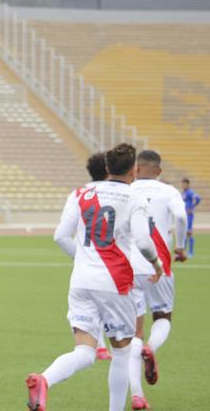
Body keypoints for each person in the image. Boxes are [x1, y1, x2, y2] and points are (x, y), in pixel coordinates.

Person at [26, 143, 163, 411]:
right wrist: (156, 264)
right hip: (114, 283)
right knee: (122, 353)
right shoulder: (134, 197)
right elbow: (143, 241)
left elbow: (60, 236)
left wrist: (83, 259)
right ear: (133, 171)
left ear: (107, 167)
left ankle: (44, 379)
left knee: (85, 352)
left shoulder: (82, 193)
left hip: (80, 282)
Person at [127, 151, 187, 410]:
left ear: (136, 168)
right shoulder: (168, 191)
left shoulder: (127, 190)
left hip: (129, 266)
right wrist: (180, 247)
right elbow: (181, 217)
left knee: (133, 333)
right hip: (157, 263)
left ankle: (137, 395)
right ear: (158, 171)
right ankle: (151, 348)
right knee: (163, 316)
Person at [83, 152, 113, 361]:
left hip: (87, 260)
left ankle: (99, 346)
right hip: (109, 262)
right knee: (107, 306)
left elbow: (61, 235)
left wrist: (78, 256)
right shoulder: (119, 194)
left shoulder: (81, 194)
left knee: (90, 307)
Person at [181, 178, 201, 258]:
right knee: (184, 233)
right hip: (184, 215)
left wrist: (192, 207)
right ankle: (184, 251)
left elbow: (198, 198)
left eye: (184, 184)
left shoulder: (190, 192)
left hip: (189, 216)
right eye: (182, 184)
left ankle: (191, 252)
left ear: (188, 184)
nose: (183, 185)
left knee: (189, 233)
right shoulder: (184, 193)